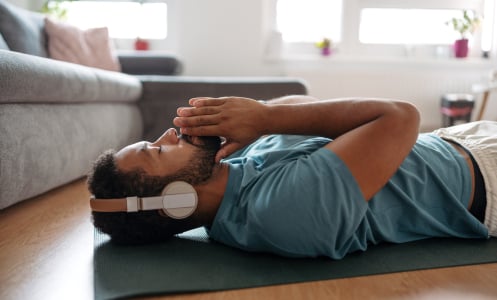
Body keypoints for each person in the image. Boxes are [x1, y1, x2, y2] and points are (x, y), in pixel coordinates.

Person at [87, 95, 496, 259]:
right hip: (486, 179)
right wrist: (266, 117)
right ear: (174, 201)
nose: (169, 133)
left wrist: (256, 116)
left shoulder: (235, 168)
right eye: (157, 151)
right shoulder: (278, 212)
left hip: (456, 140)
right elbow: (401, 116)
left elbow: (308, 110)